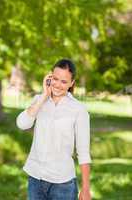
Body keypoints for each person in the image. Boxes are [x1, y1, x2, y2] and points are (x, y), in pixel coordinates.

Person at [16, 59, 92, 200]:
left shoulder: (79, 110)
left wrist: (86, 188)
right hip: (35, 179)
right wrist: (44, 96)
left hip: (63, 184)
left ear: (72, 83)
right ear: (50, 77)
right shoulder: (39, 100)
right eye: (55, 79)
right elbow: (22, 124)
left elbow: (83, 152)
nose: (58, 85)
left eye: (64, 81)